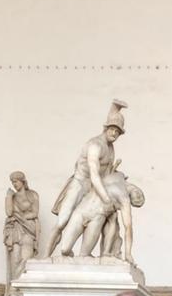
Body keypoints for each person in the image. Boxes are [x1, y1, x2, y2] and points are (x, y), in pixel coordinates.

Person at [46, 99, 128, 257]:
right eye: (112, 129)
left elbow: (105, 175)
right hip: (80, 184)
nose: (114, 134)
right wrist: (105, 197)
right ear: (106, 128)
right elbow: (94, 174)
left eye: (118, 132)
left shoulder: (110, 149)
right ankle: (45, 256)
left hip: (93, 188)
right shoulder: (95, 145)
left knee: (108, 216)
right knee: (62, 221)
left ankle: (107, 253)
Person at [3, 171, 39, 289]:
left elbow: (35, 212)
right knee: (15, 260)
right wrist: (8, 196)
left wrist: (23, 217)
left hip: (28, 229)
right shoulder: (12, 197)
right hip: (15, 230)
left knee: (26, 259)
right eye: (12, 182)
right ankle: (14, 289)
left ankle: (23, 289)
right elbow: (9, 213)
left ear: (22, 181)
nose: (14, 184)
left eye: (16, 181)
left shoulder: (33, 195)